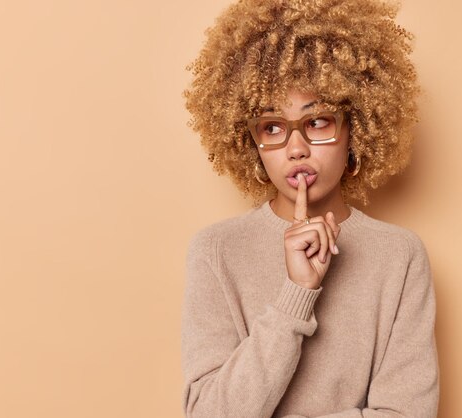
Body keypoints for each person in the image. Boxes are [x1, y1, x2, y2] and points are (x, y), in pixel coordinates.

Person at [180, 0, 439, 417]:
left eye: (317, 121)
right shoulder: (216, 252)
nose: (296, 148)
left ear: (355, 125)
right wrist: (296, 295)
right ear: (251, 143)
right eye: (272, 127)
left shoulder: (400, 256)